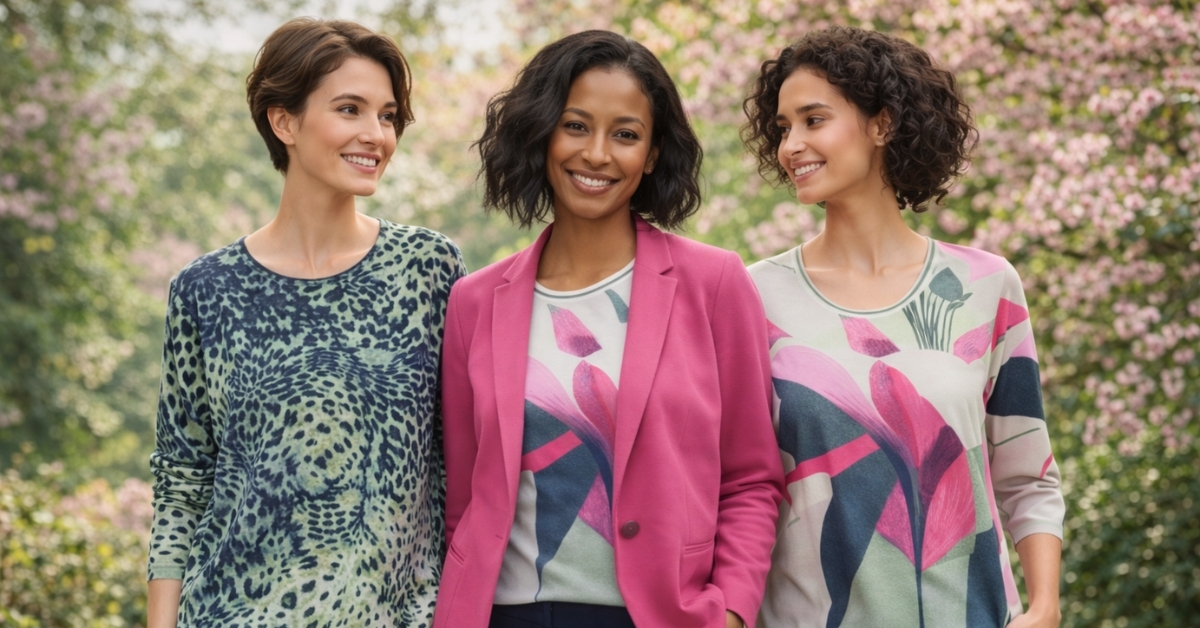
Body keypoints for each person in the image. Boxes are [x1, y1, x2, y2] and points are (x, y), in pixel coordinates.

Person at [434, 29, 784, 628]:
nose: (596, 154)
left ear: (650, 154)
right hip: (504, 614)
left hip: (659, 615)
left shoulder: (713, 283)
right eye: (575, 126)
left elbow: (752, 479)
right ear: (542, 134)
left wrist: (729, 612)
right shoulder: (473, 302)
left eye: (625, 134)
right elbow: (464, 500)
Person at [742, 26, 1065, 628]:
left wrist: (1044, 607)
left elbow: (1028, 474)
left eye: (813, 120)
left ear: (882, 124)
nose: (791, 145)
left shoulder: (986, 285)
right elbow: (737, 490)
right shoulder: (751, 297)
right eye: (783, 127)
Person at [145, 17, 464, 627]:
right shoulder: (206, 289)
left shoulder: (430, 270)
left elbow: (465, 462)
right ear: (283, 121)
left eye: (388, 116)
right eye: (350, 109)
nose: (376, 135)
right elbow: (182, 484)